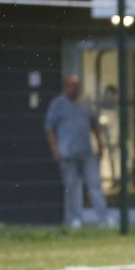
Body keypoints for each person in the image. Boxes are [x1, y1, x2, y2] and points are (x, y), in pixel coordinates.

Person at [44, 74, 111, 229]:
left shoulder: (86, 104)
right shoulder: (58, 105)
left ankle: (103, 218)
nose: (74, 88)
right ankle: (75, 219)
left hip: (87, 152)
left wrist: (100, 145)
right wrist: (55, 148)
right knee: (72, 187)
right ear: (65, 87)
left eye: (77, 85)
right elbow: (49, 128)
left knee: (95, 186)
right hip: (67, 153)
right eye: (71, 85)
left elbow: (95, 126)